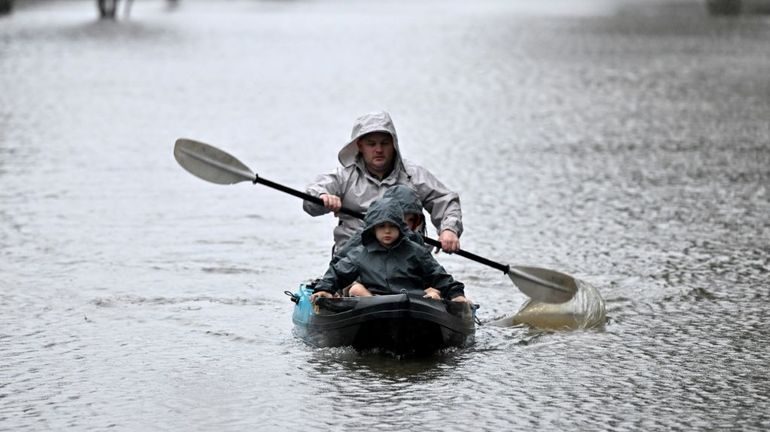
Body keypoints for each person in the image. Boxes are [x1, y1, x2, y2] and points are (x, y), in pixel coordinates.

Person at [303, 111, 462, 254]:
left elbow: (445, 200)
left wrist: (449, 230)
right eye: (371, 144)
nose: (378, 150)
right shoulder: (343, 177)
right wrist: (323, 197)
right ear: (360, 146)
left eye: (384, 143)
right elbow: (311, 201)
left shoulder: (414, 175)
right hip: (354, 259)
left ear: (394, 145)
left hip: (406, 260)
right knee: (353, 284)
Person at [310, 198, 469, 303]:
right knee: (357, 290)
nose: (387, 231)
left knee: (434, 295)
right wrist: (325, 289)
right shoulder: (360, 253)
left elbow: (439, 275)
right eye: (381, 226)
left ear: (400, 228)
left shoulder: (415, 251)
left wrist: (456, 295)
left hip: (413, 303)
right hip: (376, 302)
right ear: (372, 229)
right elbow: (338, 273)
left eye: (392, 226)